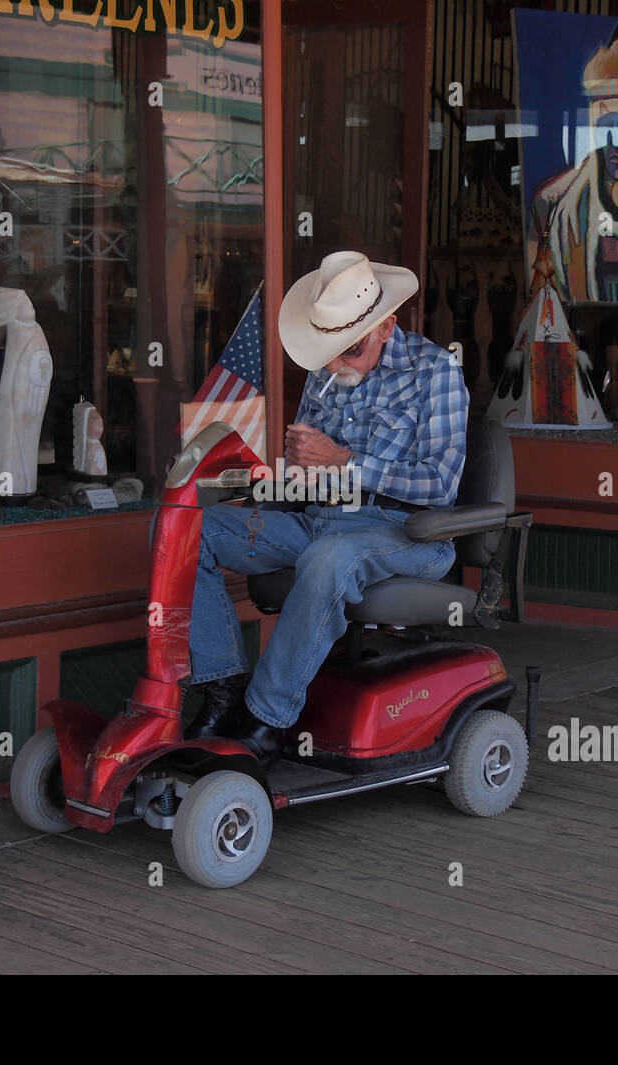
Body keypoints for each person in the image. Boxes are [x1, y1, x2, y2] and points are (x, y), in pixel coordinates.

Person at [185, 251, 470, 763]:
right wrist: (287, 472)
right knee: (190, 529)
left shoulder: (437, 371)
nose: (335, 364)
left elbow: (440, 486)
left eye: (349, 349)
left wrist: (344, 461)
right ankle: (222, 685)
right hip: (320, 518)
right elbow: (307, 476)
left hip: (408, 532)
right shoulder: (325, 375)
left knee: (328, 559)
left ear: (386, 325)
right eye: (329, 349)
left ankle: (265, 718)